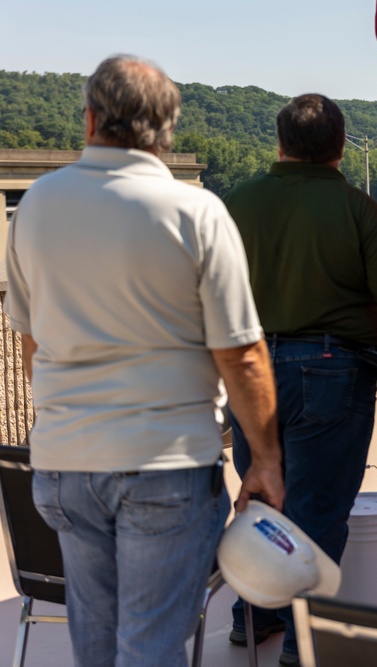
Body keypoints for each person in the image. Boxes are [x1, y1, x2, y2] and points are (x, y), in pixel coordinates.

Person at [3, 55, 284, 667]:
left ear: (89, 120)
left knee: (96, 642)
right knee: (149, 646)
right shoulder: (195, 212)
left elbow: (32, 343)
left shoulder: (35, 208)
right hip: (164, 463)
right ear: (167, 129)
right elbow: (241, 354)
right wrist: (264, 460)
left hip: (66, 464)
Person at [223, 93, 377, 667]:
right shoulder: (356, 208)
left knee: (261, 498)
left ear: (280, 144)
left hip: (247, 372)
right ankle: (304, 646)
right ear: (338, 147)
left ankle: (252, 618)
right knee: (319, 507)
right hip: (330, 372)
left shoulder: (233, 205)